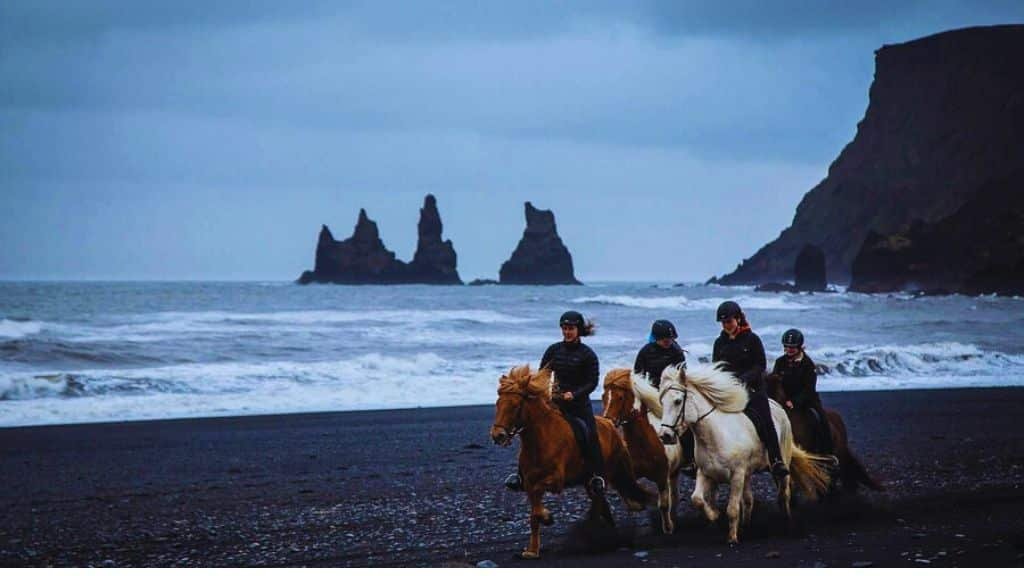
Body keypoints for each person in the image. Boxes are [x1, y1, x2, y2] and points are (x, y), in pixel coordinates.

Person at [505, 311, 606, 494]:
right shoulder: (554, 350)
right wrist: (542, 393)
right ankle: (520, 475)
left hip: (579, 405)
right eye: (565, 328)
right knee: (528, 431)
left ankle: (595, 476)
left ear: (579, 330)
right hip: (556, 402)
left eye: (571, 329)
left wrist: (574, 394)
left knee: (590, 434)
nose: (567, 332)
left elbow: (592, 382)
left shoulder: (588, 355)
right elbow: (543, 375)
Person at [712, 301, 789, 479]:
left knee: (766, 419)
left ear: (738, 319)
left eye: (729, 321)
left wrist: (744, 379)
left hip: (752, 388)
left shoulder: (752, 339)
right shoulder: (719, 343)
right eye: (723, 323)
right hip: (728, 390)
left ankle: (776, 460)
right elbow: (716, 366)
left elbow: (760, 364)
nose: (726, 326)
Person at [768, 329, 834, 454]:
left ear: (799, 347)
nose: (789, 350)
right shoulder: (780, 362)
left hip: (806, 400)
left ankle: (827, 452)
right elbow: (775, 381)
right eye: (786, 347)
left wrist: (795, 402)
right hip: (784, 399)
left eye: (792, 347)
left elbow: (809, 389)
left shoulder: (808, 364)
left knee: (820, 418)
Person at [634, 319, 686, 388]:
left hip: (672, 387)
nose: (669, 343)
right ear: (656, 339)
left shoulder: (677, 351)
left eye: (671, 339)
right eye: (665, 341)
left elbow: (682, 375)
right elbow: (638, 375)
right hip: (653, 386)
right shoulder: (646, 351)